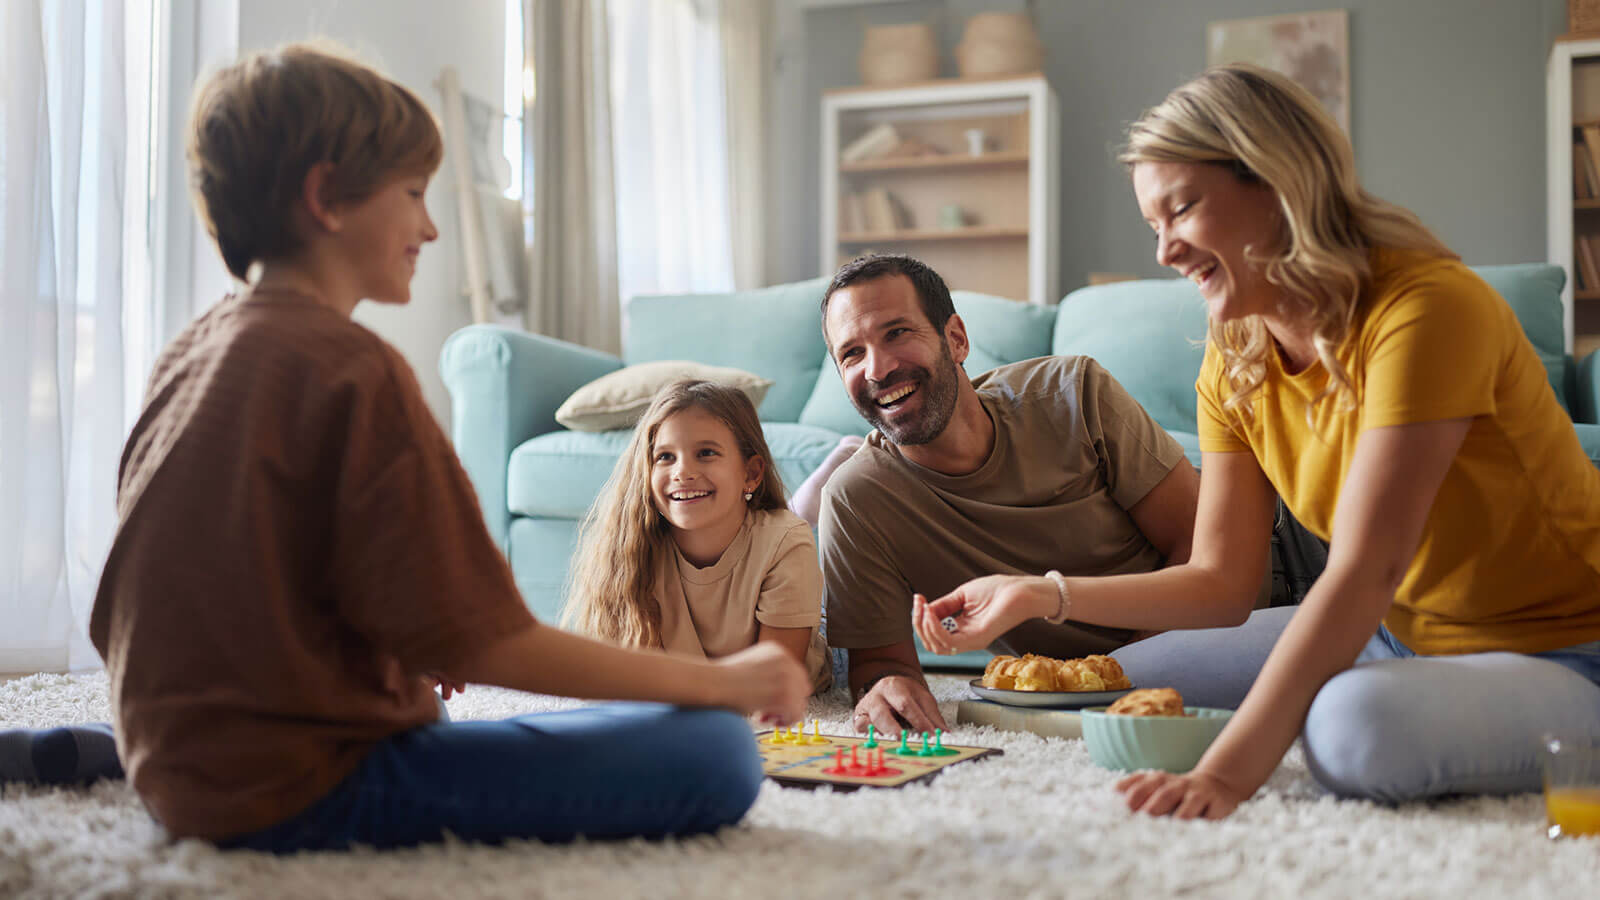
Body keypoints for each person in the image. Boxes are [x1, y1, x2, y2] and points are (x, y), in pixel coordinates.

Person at [71, 42, 808, 853]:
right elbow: (488, 644)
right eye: (415, 193)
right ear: (327, 197)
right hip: (294, 789)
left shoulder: (192, 351)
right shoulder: (352, 368)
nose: (428, 224)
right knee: (717, 751)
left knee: (490, 708)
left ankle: (70, 751)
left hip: (173, 763)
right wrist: (720, 683)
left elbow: (168, 603)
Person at [914, 63, 1600, 817]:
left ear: (1277, 184)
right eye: (1153, 225)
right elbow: (1222, 581)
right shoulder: (1237, 351)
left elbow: (1366, 570)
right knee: (1116, 682)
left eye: (1181, 210)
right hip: (1396, 634)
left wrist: (1226, 773)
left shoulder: (1425, 310)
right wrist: (1041, 593)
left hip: (1564, 648)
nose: (1165, 250)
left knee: (1351, 729)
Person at [818, 253, 1239, 737]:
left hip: (1279, 571)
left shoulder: (1073, 395)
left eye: (897, 333)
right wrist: (888, 688)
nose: (878, 368)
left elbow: (1196, 545)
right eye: (852, 353)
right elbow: (881, 664)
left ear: (955, 339)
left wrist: (1109, 677)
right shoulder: (857, 500)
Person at [563, 379, 833, 693]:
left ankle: (815, 495)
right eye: (665, 457)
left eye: (705, 453)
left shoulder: (785, 541)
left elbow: (771, 682)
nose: (682, 472)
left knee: (795, 536)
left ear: (751, 474)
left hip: (813, 652)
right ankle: (804, 503)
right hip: (714, 678)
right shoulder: (634, 547)